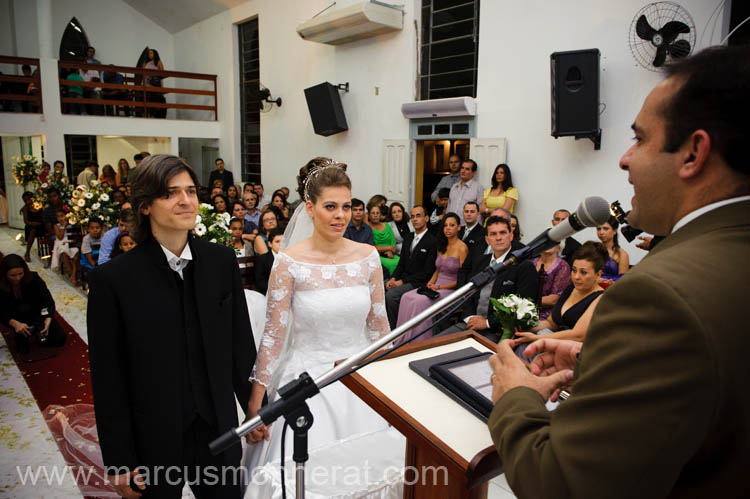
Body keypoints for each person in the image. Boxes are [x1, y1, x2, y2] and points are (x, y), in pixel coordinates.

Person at [487, 45, 750, 498]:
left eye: (641, 139)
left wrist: (515, 395)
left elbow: (562, 484)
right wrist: (595, 363)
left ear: (693, 153)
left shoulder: (660, 294)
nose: (624, 159)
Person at [88, 154, 256, 497]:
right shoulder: (113, 280)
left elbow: (240, 345)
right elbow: (108, 376)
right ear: (145, 206)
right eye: (171, 193)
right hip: (154, 438)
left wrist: (255, 410)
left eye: (191, 191)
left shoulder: (221, 262)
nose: (186, 201)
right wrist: (119, 461)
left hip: (218, 430)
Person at [243, 161, 390, 492]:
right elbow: (273, 336)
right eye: (330, 207)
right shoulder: (289, 262)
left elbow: (381, 329)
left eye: (346, 206)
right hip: (308, 380)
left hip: (361, 377)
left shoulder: (368, 257)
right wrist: (257, 401)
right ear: (309, 208)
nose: (341, 215)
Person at [437, 216, 538, 341]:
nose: (498, 238)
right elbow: (469, 294)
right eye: (493, 234)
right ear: (487, 239)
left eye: (502, 233)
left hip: (498, 331)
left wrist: (487, 323)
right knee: (433, 345)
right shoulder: (481, 262)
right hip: (470, 324)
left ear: (511, 236)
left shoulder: (524, 266)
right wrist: (469, 317)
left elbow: (524, 307)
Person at [513, 242, 605, 358]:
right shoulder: (571, 288)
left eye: (583, 272)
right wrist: (525, 325)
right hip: (552, 342)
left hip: (574, 354)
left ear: (598, 274)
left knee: (526, 349)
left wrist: (537, 338)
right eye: (574, 270)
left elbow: (578, 335)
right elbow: (551, 323)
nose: (576, 276)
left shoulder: (601, 298)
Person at [394, 212, 468, 345]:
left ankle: (419, 342)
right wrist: (430, 283)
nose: (448, 228)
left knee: (419, 302)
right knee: (406, 297)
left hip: (452, 289)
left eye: (452, 225)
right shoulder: (442, 245)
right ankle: (402, 339)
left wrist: (440, 287)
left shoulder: (462, 248)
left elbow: (463, 279)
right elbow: (437, 270)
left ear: (459, 227)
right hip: (436, 285)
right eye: (445, 225)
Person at [0, 254, 67, 354]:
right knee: (22, 350)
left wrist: (48, 319)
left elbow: (47, 300)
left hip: (37, 313)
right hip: (15, 316)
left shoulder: (33, 278)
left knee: (59, 339)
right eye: (13, 275)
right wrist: (14, 323)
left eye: (20, 274)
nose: (18, 278)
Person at [385, 205, 437, 328]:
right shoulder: (408, 237)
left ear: (427, 218)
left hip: (418, 282)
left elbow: (427, 272)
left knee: (391, 295)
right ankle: (382, 327)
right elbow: (401, 263)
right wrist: (393, 278)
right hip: (403, 278)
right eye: (412, 216)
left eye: (418, 216)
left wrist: (401, 282)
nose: (414, 219)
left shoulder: (432, 241)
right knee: (381, 286)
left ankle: (393, 332)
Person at [531, 244, 571, 321]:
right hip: (524, 311)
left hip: (547, 317)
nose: (549, 244)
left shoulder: (563, 266)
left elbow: (554, 299)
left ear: (559, 247)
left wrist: (527, 302)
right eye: (547, 242)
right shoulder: (531, 263)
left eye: (553, 242)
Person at [447, 159, 484, 226]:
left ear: (473, 173)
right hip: (452, 227)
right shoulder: (454, 187)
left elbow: (480, 212)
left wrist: (475, 229)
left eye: (467, 169)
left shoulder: (478, 188)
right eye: (462, 168)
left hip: (466, 227)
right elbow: (449, 207)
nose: (463, 171)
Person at [367, 202, 399, 277]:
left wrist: (391, 250)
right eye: (373, 213)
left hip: (391, 254)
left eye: (377, 213)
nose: (375, 215)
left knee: (400, 261)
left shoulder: (387, 225)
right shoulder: (367, 227)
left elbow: (393, 241)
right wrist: (388, 248)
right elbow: (371, 246)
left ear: (380, 215)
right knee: (390, 264)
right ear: (369, 215)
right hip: (377, 255)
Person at [51, 209, 81, 285]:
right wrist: (63, 226)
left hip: (71, 242)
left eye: (62, 216)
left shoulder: (71, 224)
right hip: (61, 243)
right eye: (58, 217)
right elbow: (60, 237)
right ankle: (72, 274)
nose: (60, 218)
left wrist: (74, 240)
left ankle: (73, 275)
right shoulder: (56, 226)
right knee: (63, 252)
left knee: (75, 253)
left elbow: (76, 235)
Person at [596, 216, 629, 282]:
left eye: (605, 229)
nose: (601, 232)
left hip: (611, 289)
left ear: (614, 231)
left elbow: (622, 281)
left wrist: (604, 281)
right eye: (599, 229)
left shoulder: (622, 254)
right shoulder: (593, 249)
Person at [254, 228, 282, 294]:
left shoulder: (290, 258)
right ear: (270, 244)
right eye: (277, 241)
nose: (281, 244)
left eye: (284, 241)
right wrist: (275, 289)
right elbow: (259, 281)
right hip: (269, 293)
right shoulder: (262, 259)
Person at [21, 191, 44, 262]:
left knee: (37, 229)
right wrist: (31, 223)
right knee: (33, 230)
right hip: (31, 225)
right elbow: (26, 221)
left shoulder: (39, 205)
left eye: (29, 199)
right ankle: (27, 252)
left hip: (41, 225)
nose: (28, 201)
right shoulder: (25, 208)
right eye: (25, 200)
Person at [142, 48, 166, 118]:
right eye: (149, 53)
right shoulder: (145, 62)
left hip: (155, 84)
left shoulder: (158, 61)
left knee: (157, 99)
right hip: (147, 83)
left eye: (151, 53)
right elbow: (142, 73)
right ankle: (149, 114)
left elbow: (163, 72)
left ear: (155, 54)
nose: (150, 54)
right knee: (148, 98)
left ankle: (157, 115)